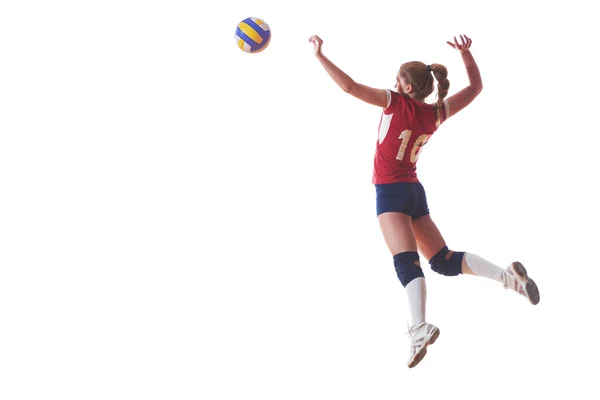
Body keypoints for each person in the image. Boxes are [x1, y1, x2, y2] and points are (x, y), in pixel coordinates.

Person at [308, 34, 540, 368]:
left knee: (407, 262)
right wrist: (466, 54)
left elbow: (349, 87)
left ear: (407, 88)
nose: (394, 84)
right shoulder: (436, 113)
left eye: (398, 80)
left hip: (390, 193)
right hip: (415, 192)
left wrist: (319, 55)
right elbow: (475, 88)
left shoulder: (394, 102)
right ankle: (507, 277)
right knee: (443, 261)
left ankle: (419, 327)